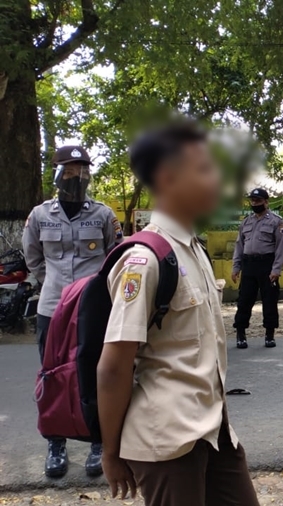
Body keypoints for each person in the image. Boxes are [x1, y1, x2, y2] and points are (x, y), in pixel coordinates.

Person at [96, 122, 259, 506]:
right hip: (167, 440)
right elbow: (113, 366)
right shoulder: (145, 259)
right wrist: (110, 451)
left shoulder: (193, 250)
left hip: (214, 430)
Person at [23, 145, 122, 479]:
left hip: (92, 310)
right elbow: (33, 258)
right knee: (52, 376)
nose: (76, 177)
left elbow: (115, 258)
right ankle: (55, 443)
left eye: (82, 171)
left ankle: (98, 441)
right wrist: (52, 284)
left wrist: (95, 293)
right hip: (52, 308)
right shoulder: (39, 216)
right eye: (69, 170)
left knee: (95, 373)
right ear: (56, 174)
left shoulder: (104, 215)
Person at [231, 188, 283, 349]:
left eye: (258, 201)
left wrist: (276, 270)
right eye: (252, 201)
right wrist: (236, 267)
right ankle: (240, 334)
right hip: (249, 265)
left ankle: (269, 335)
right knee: (244, 300)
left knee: (269, 300)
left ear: (266, 202)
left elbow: (281, 248)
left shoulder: (277, 222)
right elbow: (239, 246)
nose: (254, 203)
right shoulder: (246, 222)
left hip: (267, 264)